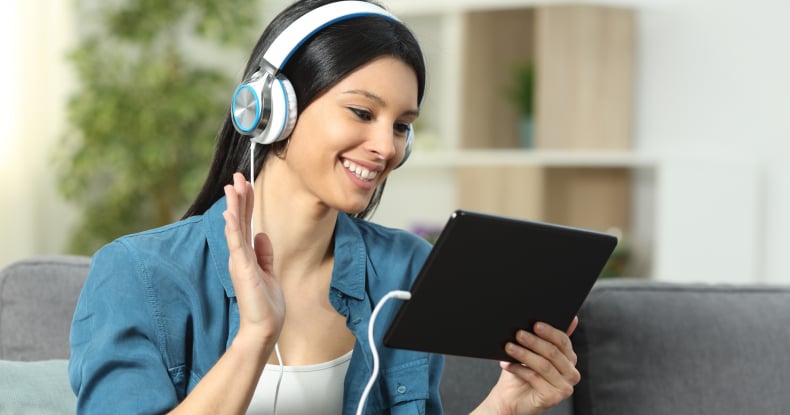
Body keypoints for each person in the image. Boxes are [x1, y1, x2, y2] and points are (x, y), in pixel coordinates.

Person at [68, 0, 581, 414]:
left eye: (402, 125)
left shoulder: (403, 271)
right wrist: (255, 337)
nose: (387, 147)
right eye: (362, 112)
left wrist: (507, 407)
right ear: (272, 110)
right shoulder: (139, 274)